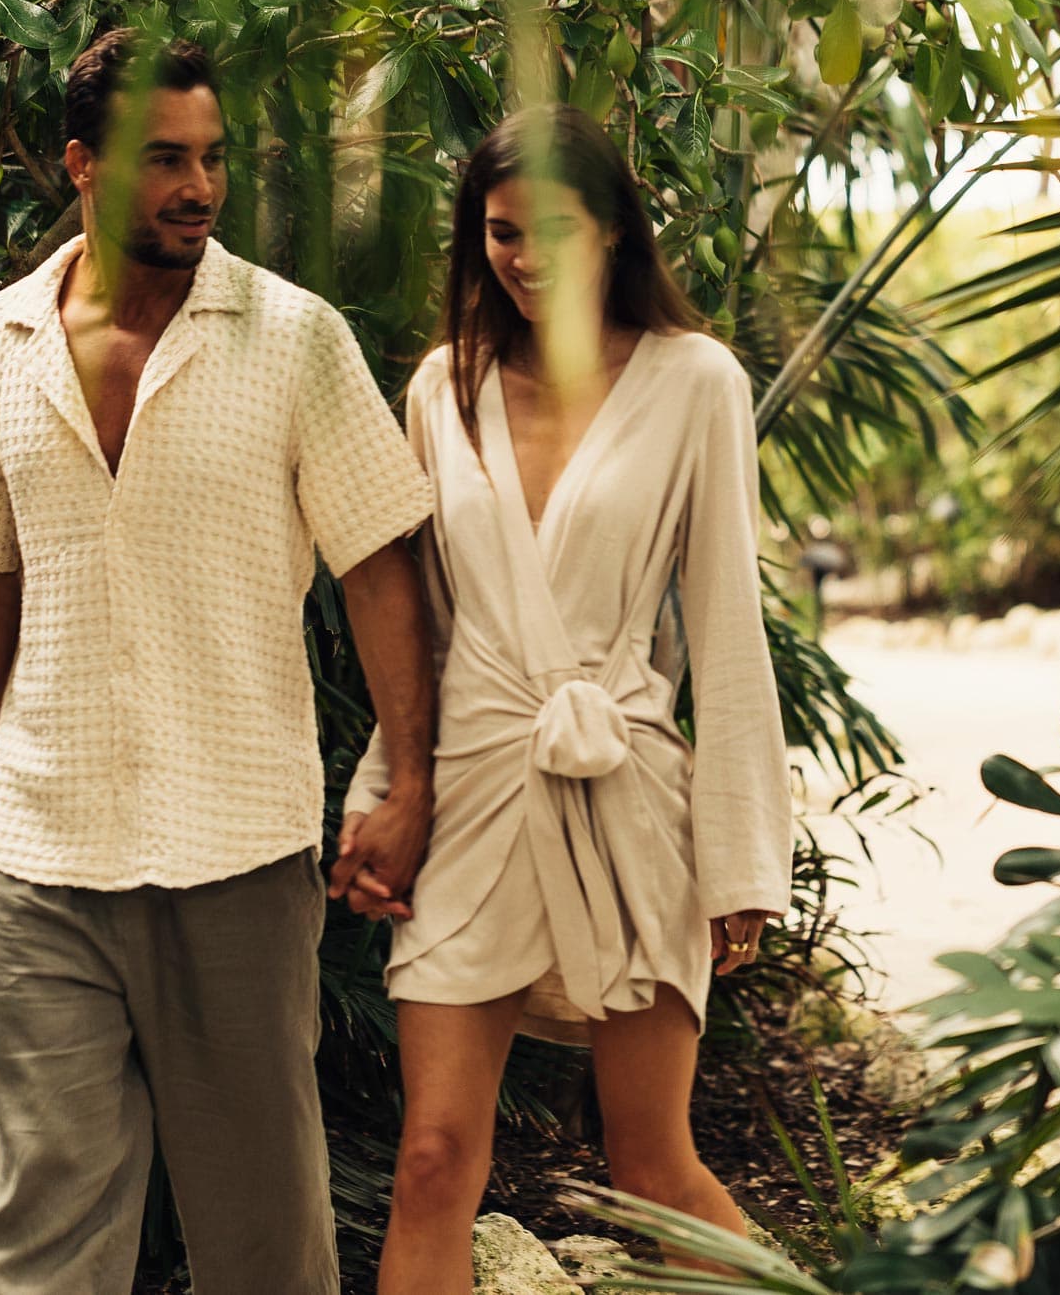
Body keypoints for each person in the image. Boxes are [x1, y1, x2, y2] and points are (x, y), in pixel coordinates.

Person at [0, 27, 438, 1295]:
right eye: (162, 160)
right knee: (47, 1240)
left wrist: (409, 785)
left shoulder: (293, 338)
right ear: (82, 164)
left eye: (211, 159)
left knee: (263, 1238)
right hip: (36, 853)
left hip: (235, 851)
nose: (197, 187)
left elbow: (378, 567)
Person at [333, 105, 792, 1295]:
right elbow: (418, 622)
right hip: (476, 790)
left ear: (614, 230)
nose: (525, 259)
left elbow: (729, 624)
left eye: (554, 231)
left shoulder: (697, 383)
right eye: (500, 234)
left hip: (627, 794)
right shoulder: (443, 387)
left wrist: (742, 857)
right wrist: (383, 797)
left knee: (649, 1163)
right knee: (434, 1156)